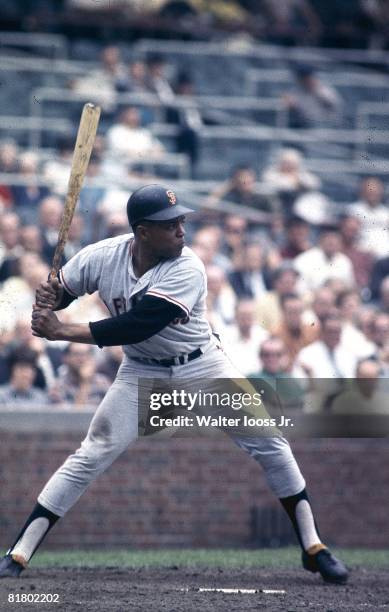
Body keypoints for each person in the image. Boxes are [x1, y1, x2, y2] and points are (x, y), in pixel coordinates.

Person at [0, 185, 348, 584]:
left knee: (270, 442)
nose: (181, 230)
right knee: (92, 452)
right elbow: (66, 289)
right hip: (142, 370)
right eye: (170, 224)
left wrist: (61, 330)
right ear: (143, 232)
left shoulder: (188, 267)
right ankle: (20, 551)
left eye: (181, 220)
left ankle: (313, 546)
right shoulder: (103, 256)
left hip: (202, 366)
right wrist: (53, 295)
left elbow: (138, 323)